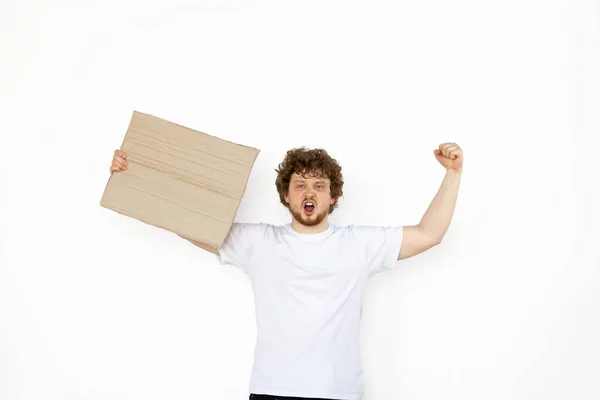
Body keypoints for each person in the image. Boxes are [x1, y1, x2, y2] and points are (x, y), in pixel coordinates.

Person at [109, 143, 463, 400]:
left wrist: (453, 174)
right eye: (300, 185)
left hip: (339, 394)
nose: (310, 192)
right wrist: (133, 174)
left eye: (319, 186)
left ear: (332, 198)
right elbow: (188, 219)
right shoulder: (257, 242)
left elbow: (429, 234)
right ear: (286, 196)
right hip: (272, 392)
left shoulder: (359, 245)